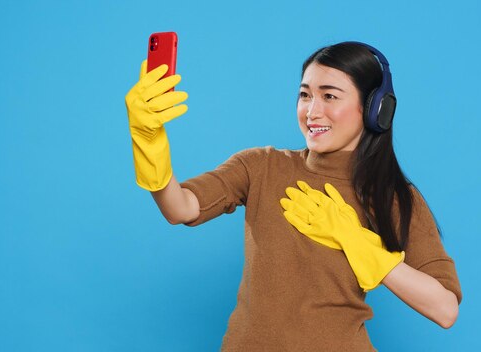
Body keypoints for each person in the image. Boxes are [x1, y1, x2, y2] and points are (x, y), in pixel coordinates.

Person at [125, 41, 462, 351]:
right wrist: (148, 141)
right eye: (305, 95)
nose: (312, 112)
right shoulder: (260, 166)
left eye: (329, 96)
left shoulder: (393, 196)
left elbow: (445, 309)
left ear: (375, 109)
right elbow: (180, 208)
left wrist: (359, 244)